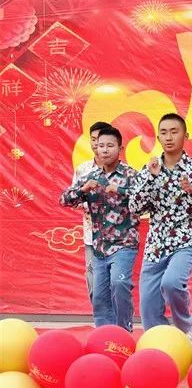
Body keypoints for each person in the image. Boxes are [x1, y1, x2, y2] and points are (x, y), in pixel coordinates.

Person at [129, 113, 192, 345]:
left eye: (174, 132)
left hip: (187, 240)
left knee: (172, 283)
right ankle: (161, 345)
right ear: (158, 137)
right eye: (164, 133)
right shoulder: (150, 168)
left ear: (185, 136)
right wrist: (150, 178)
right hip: (156, 244)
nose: (169, 137)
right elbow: (135, 208)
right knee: (148, 304)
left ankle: (186, 329)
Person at [60, 127, 140, 331]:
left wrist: (121, 191)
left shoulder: (131, 175)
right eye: (101, 145)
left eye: (110, 145)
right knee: (99, 296)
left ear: (120, 148)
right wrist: (83, 189)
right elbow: (64, 200)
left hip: (124, 244)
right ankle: (105, 336)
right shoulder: (90, 176)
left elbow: (145, 201)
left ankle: (124, 332)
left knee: (119, 285)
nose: (104, 150)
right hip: (99, 247)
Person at [71, 121, 111, 303]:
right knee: (93, 278)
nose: (97, 144)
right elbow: (72, 200)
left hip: (118, 237)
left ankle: (118, 317)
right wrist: (89, 198)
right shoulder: (83, 170)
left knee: (116, 281)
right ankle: (99, 316)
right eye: (93, 139)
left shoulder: (124, 171)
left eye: (101, 140)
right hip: (91, 235)